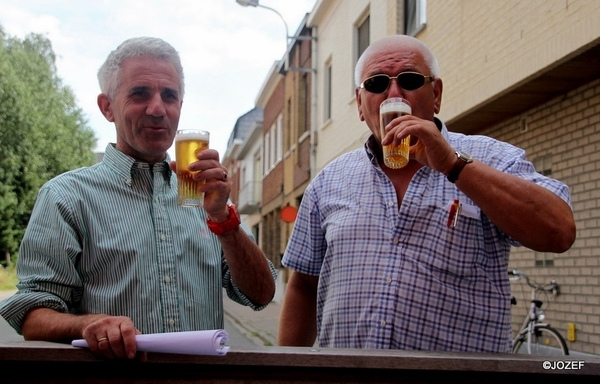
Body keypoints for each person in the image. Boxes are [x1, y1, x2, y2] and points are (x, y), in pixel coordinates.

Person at [277, 35, 575, 352]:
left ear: (436, 94)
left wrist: (452, 164)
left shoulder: (491, 158)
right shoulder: (328, 181)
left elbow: (558, 231)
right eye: (377, 84)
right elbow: (305, 285)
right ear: (361, 105)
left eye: (409, 79)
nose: (394, 94)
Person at [0, 37, 276, 360]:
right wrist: (90, 325)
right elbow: (33, 315)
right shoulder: (67, 197)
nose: (158, 108)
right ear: (107, 107)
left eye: (169, 96)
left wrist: (224, 223)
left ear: (180, 108)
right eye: (140, 93)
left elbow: (261, 295)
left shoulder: (207, 199)